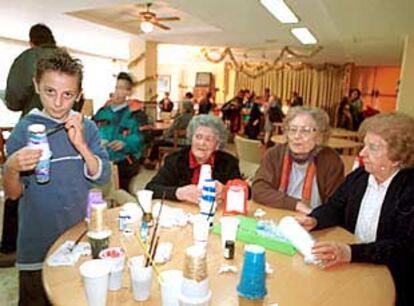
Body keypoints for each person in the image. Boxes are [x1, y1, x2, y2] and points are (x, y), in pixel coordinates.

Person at [3, 49, 111, 306]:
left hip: (78, 239)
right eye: (50, 91)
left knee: (75, 298)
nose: (59, 103)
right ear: (36, 86)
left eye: (68, 95)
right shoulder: (24, 129)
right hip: (37, 242)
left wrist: (82, 145)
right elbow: (13, 193)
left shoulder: (87, 126)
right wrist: (10, 166)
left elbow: (103, 175)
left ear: (78, 96)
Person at [297, 112, 414, 306]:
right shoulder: (360, 177)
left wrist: (350, 253)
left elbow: (403, 247)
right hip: (355, 265)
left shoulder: (409, 189)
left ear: (397, 158)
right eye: (364, 145)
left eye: (373, 148)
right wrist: (315, 219)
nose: (362, 153)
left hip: (393, 279)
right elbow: (335, 206)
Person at [1, 24, 58, 266]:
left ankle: (9, 246)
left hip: (32, 129)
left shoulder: (26, 59)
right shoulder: (63, 57)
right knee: (55, 183)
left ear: (31, 41)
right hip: (62, 130)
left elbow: (13, 100)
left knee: (19, 179)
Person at [252, 107, 344, 214]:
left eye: (305, 131)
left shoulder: (331, 160)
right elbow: (258, 189)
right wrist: (296, 204)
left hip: (314, 222)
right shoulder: (274, 154)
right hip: (277, 217)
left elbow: (336, 205)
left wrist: (316, 217)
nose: (297, 136)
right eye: (293, 129)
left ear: (319, 136)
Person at [146, 114, 242, 204]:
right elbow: (150, 189)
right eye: (198, 137)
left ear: (217, 145)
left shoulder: (229, 162)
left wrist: (226, 190)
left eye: (208, 139)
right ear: (191, 138)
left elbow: (247, 192)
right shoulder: (175, 160)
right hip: (182, 215)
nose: (201, 143)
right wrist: (179, 193)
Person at [93, 72, 143, 192]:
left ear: (128, 92)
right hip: (102, 162)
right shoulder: (102, 112)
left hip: (124, 163)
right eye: (116, 87)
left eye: (121, 88)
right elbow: (91, 132)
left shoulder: (136, 114)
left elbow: (141, 139)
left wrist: (125, 143)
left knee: (122, 196)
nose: (116, 92)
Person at [145, 100, 194, 168]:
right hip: (187, 142)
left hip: (176, 142)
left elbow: (171, 130)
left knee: (157, 142)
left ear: (184, 108)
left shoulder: (180, 118)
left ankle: (151, 161)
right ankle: (153, 160)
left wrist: (164, 136)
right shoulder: (193, 118)